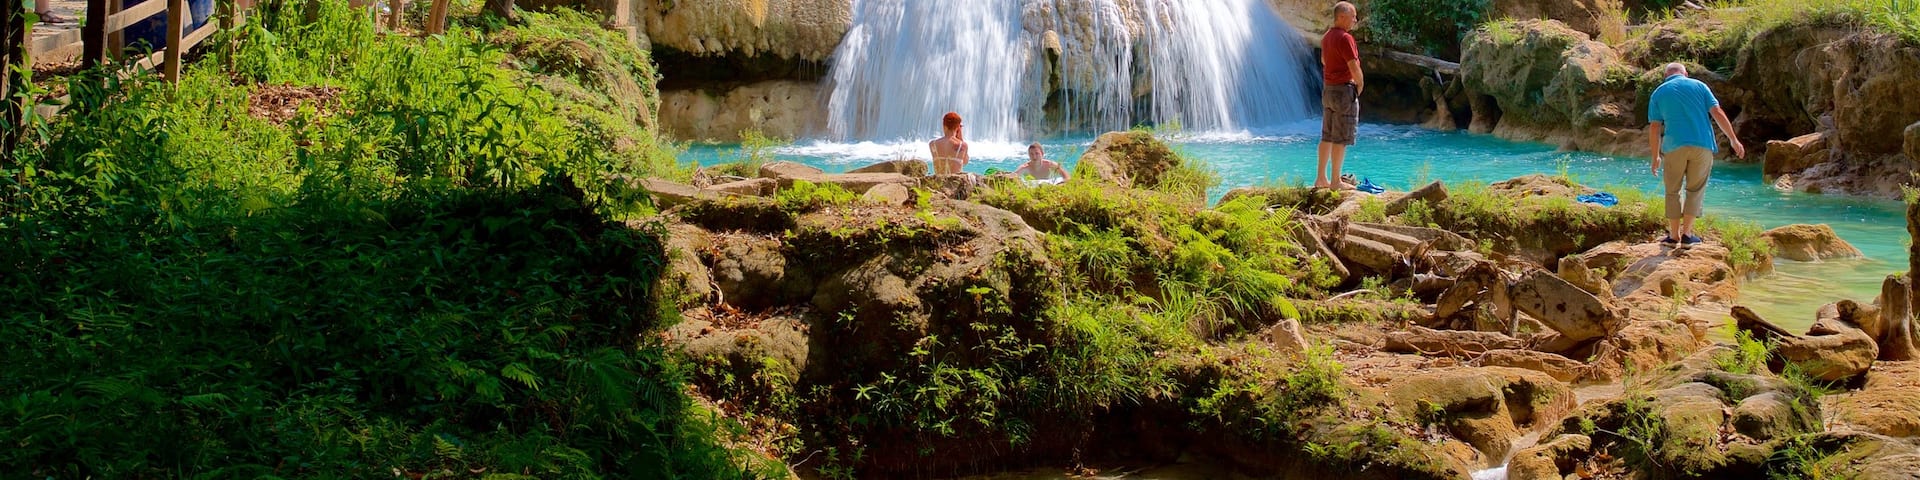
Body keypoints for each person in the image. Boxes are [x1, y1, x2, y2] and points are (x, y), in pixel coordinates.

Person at [1647, 62, 1744, 245]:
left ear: (1666, 76)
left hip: (1674, 146)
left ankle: (1673, 235)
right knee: (1695, 189)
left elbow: (1654, 127)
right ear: (1686, 73)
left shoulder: (1659, 92)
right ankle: (1687, 235)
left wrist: (1655, 156)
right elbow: (1717, 112)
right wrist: (1733, 138)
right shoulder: (1700, 86)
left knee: (1672, 191)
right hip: (1702, 145)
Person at [1316, 1, 1363, 190]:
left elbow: (1324, 60)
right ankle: (1336, 182)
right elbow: (1353, 65)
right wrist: (1360, 84)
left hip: (1328, 90)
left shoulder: (1327, 36)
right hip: (1344, 90)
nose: (1355, 20)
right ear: (1342, 17)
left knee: (1327, 135)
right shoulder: (1345, 38)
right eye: (1353, 16)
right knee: (1341, 137)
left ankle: (1321, 179)